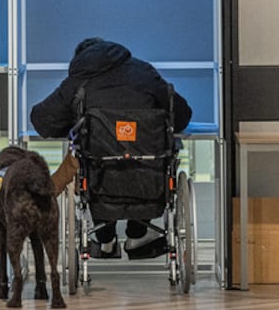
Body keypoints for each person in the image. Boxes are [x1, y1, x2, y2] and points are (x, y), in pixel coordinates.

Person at [30, 37, 192, 260]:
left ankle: (105, 240)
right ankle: (138, 236)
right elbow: (182, 115)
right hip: (149, 183)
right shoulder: (144, 72)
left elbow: (42, 121)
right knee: (141, 156)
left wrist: (76, 122)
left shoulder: (80, 80)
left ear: (80, 58)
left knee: (95, 158)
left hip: (100, 183)